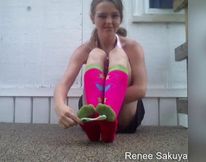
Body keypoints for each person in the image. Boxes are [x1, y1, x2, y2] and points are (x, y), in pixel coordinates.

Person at [54, 0, 147, 143]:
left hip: (125, 116)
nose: (109, 21)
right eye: (102, 16)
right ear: (93, 17)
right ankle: (97, 122)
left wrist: (107, 98)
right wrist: (60, 106)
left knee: (118, 55)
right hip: (92, 109)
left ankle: (108, 120)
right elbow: (63, 84)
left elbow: (141, 89)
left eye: (114, 16)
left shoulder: (132, 47)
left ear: (120, 18)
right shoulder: (84, 50)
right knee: (95, 54)